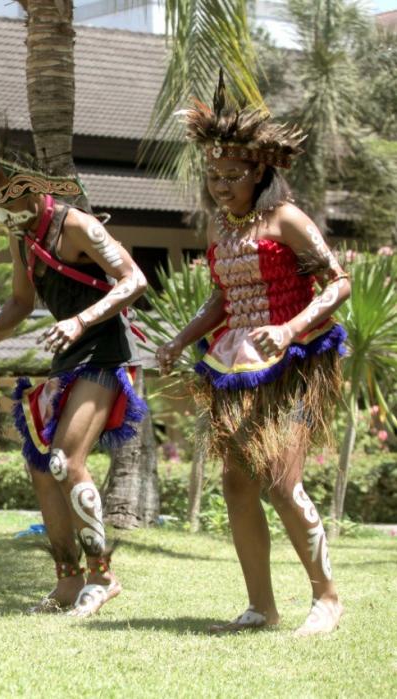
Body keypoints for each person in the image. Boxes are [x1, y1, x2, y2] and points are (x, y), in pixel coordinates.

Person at [156, 74, 349, 636]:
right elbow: (222, 298)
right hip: (237, 364)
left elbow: (338, 283)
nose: (220, 186)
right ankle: (261, 606)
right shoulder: (222, 228)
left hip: (293, 359)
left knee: (282, 481)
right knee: (237, 483)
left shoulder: (286, 218)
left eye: (232, 176)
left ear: (259, 171)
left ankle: (328, 599)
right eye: (213, 176)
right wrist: (177, 341)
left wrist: (290, 329)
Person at [0, 99, 148, 616]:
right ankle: (66, 580)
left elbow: (134, 279)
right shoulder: (21, 237)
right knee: (41, 465)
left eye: (9, 197)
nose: (4, 210)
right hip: (67, 360)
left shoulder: (77, 225)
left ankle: (103, 577)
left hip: (103, 354)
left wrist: (81, 319)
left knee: (65, 461)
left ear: (34, 186)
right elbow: (18, 305)